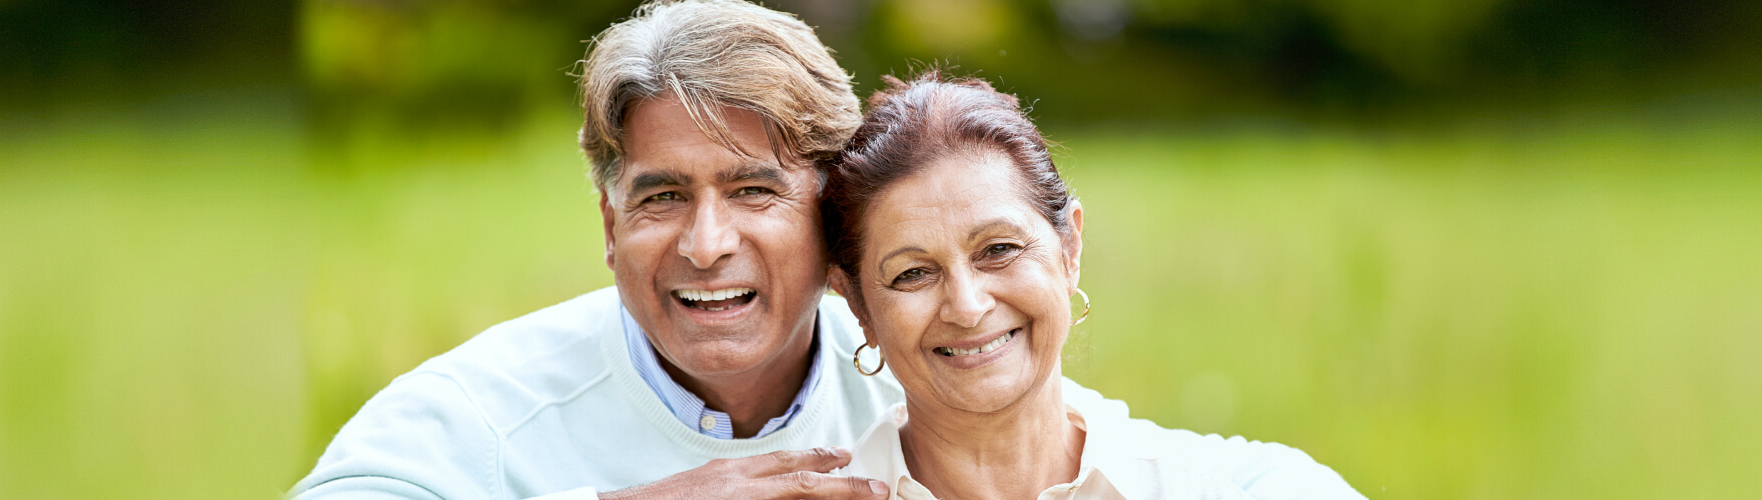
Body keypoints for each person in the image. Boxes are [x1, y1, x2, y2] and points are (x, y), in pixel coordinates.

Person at [289, 1, 904, 499]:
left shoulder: (922, 378)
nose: (706, 245)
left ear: (833, 218)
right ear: (612, 229)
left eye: (751, 191)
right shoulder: (477, 414)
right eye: (663, 197)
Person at [818, 71, 1365, 499]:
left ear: (1069, 248)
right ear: (859, 304)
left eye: (999, 250)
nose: (966, 305)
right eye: (913, 273)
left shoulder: (1232, 489)